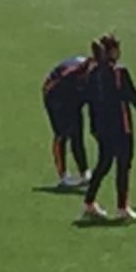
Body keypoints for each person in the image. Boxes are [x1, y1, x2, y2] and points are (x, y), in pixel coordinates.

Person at [80, 35, 136, 223]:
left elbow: (89, 101)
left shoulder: (93, 72)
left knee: (103, 164)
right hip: (121, 126)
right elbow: (134, 98)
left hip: (102, 127)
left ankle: (89, 202)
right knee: (123, 165)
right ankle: (122, 207)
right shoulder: (119, 72)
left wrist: (94, 127)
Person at [42, 54, 92, 189]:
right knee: (62, 134)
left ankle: (84, 172)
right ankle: (63, 175)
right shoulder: (69, 75)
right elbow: (52, 87)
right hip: (55, 97)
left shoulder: (95, 76)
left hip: (74, 97)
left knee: (77, 134)